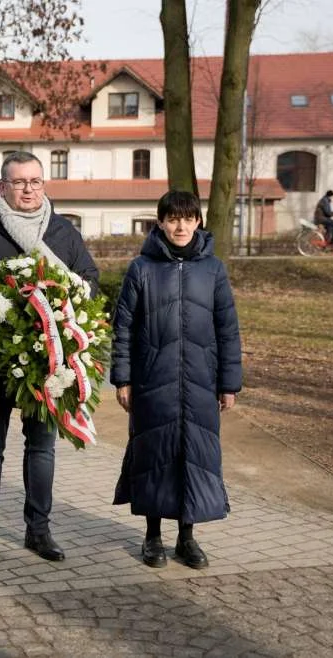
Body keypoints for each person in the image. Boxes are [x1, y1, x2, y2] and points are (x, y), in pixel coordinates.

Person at [0, 151, 99, 570]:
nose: (28, 189)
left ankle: (39, 529)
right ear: (3, 185)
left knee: (43, 448)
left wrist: (66, 298)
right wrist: (3, 300)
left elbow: (89, 278)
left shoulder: (64, 231)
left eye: (35, 181)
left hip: (49, 367)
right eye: (19, 182)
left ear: (44, 184)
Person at [110, 190, 242, 570]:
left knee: (195, 457)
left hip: (201, 382)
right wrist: (123, 378)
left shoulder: (213, 269)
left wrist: (229, 383)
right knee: (155, 456)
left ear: (198, 221)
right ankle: (152, 537)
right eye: (172, 218)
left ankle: (187, 537)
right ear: (161, 223)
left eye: (187, 218)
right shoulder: (141, 269)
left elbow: (228, 329)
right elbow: (124, 329)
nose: (180, 225)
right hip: (154, 382)